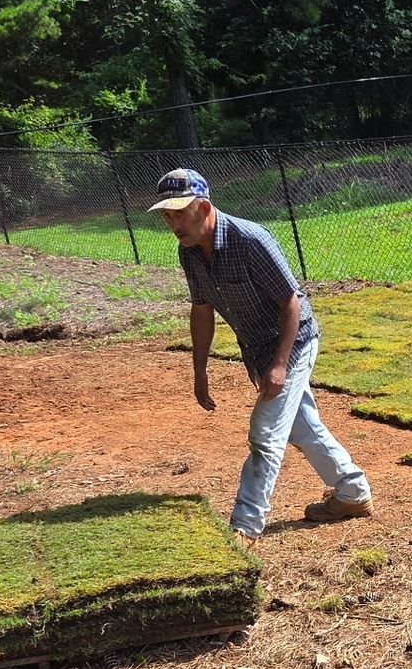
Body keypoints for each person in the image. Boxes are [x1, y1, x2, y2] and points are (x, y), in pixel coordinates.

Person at [151, 168, 373, 545]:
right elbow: (201, 309)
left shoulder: (250, 240)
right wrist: (200, 369)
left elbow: (291, 303)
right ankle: (352, 494)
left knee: (266, 432)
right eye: (167, 215)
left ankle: (245, 526)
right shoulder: (188, 251)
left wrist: (280, 364)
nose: (173, 223)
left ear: (203, 208)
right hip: (255, 348)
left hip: (293, 340)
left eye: (179, 213)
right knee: (301, 427)